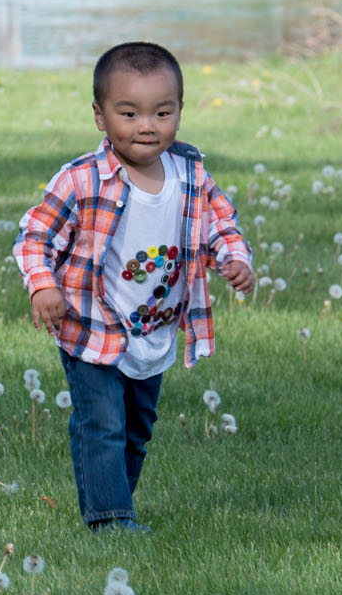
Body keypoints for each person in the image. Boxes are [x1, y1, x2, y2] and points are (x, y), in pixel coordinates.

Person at [15, 41, 254, 533]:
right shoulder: (81, 180)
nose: (147, 125)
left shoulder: (190, 175)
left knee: (137, 429)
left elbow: (220, 223)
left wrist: (234, 258)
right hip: (91, 327)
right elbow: (35, 235)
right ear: (101, 116)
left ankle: (115, 498)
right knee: (102, 423)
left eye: (162, 112)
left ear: (180, 112)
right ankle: (111, 519)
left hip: (153, 331)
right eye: (129, 112)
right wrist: (42, 287)